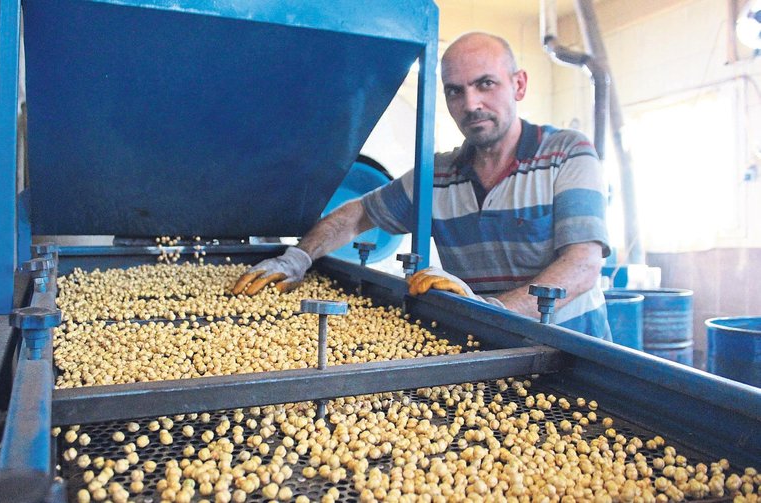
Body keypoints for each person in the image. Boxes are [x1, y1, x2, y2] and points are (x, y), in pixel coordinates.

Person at [233, 32, 612, 340]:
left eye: (485, 84)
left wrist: (495, 310)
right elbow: (358, 214)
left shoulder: (566, 153)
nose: (471, 103)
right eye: (455, 91)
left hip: (576, 357)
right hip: (490, 349)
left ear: (519, 84)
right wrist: (297, 258)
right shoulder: (439, 175)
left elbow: (583, 264)